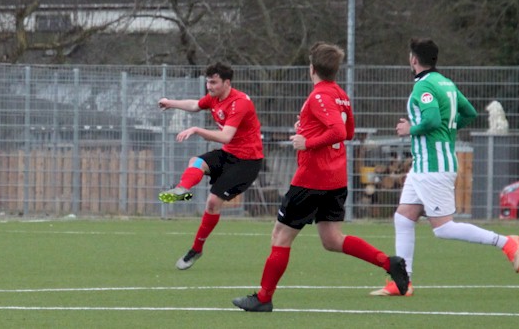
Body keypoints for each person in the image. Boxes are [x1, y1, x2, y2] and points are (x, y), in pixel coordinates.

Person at [233, 42, 408, 312]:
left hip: (311, 180)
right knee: (332, 240)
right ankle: (389, 263)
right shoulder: (340, 95)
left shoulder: (318, 96)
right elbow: (349, 132)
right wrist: (306, 129)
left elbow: (338, 132)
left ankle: (263, 298)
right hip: (335, 179)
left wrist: (308, 142)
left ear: (311, 68)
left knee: (280, 236)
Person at [370, 37, 519, 296]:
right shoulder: (446, 83)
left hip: (433, 166)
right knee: (404, 217)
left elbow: (430, 120)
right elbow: (470, 112)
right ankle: (401, 282)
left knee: (443, 228)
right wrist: (448, 130)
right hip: (424, 167)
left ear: (414, 60)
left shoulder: (424, 87)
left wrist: (410, 130)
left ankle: (506, 242)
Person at [158, 62, 264, 270]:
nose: (209, 86)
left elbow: (226, 136)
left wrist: (197, 129)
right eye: (208, 81)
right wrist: (170, 103)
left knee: (213, 202)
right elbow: (195, 105)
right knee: (196, 162)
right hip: (229, 154)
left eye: (214, 82)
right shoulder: (215, 98)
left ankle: (196, 249)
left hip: (247, 162)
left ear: (227, 82)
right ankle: (182, 190)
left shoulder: (239, 103)